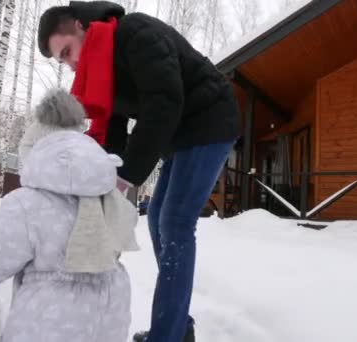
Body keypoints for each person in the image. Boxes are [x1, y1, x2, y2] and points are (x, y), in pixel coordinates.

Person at [37, 2, 241, 342]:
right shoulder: (103, 69)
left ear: (80, 25)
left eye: (68, 51)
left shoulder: (135, 33)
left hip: (211, 120)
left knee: (175, 223)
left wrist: (128, 175)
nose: (71, 63)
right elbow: (114, 128)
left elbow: (164, 102)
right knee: (158, 217)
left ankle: (168, 336)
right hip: (181, 134)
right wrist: (102, 175)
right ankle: (177, 326)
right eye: (63, 60)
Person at [0, 89, 140, 342]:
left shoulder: (29, 205)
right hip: (110, 316)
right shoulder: (108, 197)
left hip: (49, 324)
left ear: (37, 154)